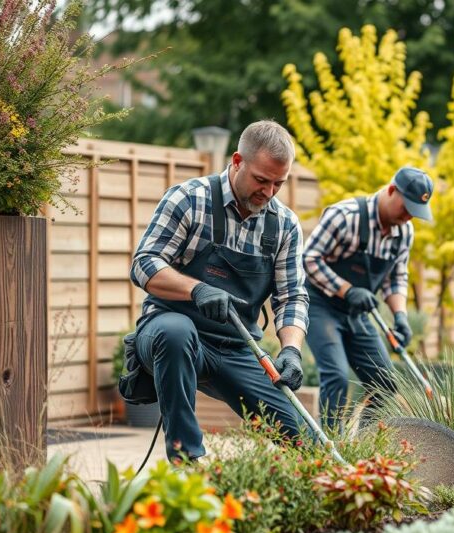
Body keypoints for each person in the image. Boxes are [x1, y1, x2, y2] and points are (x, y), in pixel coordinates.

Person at [121, 120, 311, 462]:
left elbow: (292, 296)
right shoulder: (189, 199)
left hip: (238, 347)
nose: (268, 193)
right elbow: (144, 263)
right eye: (261, 180)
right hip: (170, 331)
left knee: (303, 439)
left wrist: (292, 350)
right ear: (237, 161)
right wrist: (197, 290)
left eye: (278, 184)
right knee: (176, 332)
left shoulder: (283, 225)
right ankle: (187, 463)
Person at [302, 166, 434, 428]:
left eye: (414, 213)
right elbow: (308, 258)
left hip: (357, 312)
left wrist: (400, 317)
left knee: (384, 382)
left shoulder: (404, 232)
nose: (408, 216)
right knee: (337, 376)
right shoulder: (345, 216)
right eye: (406, 207)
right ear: (391, 190)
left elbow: (395, 278)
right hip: (320, 305)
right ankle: (327, 444)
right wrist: (347, 290)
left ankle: (362, 444)